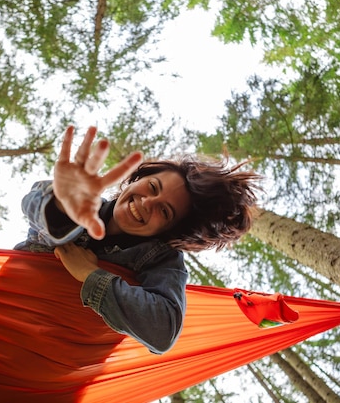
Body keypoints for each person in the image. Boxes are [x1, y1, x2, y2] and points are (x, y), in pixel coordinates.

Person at [14, 125, 262, 354]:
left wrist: (90, 274)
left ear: (169, 231)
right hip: (1, 322)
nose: (147, 203)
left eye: (165, 211)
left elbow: (163, 331)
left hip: (49, 367)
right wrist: (62, 205)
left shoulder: (162, 260)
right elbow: (33, 204)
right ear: (136, 179)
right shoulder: (82, 201)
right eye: (153, 187)